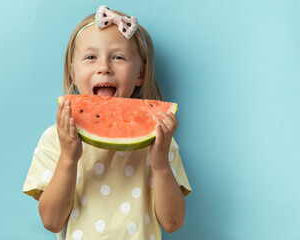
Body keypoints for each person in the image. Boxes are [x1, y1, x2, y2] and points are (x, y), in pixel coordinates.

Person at [23, 5, 191, 240]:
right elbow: (51, 221)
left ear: (141, 74)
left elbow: (173, 223)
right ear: (72, 71)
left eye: (119, 57)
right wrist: (69, 158)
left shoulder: (159, 139)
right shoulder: (55, 138)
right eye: (91, 57)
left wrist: (161, 163)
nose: (104, 68)